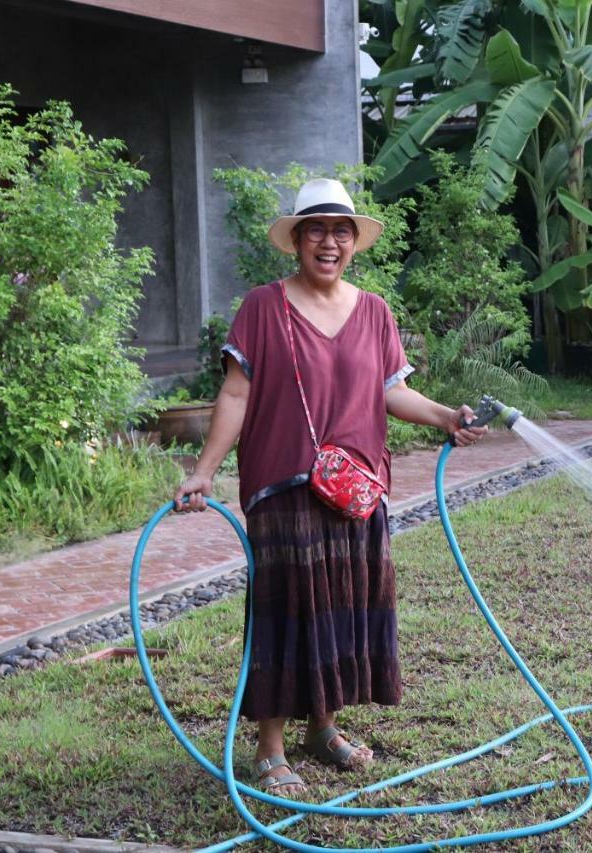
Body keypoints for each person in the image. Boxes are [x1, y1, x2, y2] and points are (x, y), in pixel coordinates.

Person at [173, 178, 487, 796]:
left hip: (358, 489)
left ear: (354, 243)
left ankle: (323, 728)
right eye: (315, 229)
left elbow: (391, 391)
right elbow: (237, 393)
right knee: (289, 611)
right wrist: (205, 470)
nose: (329, 242)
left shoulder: (374, 311)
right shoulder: (263, 307)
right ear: (295, 239)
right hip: (285, 487)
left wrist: (447, 416)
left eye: (340, 231)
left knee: (343, 607)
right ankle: (269, 747)